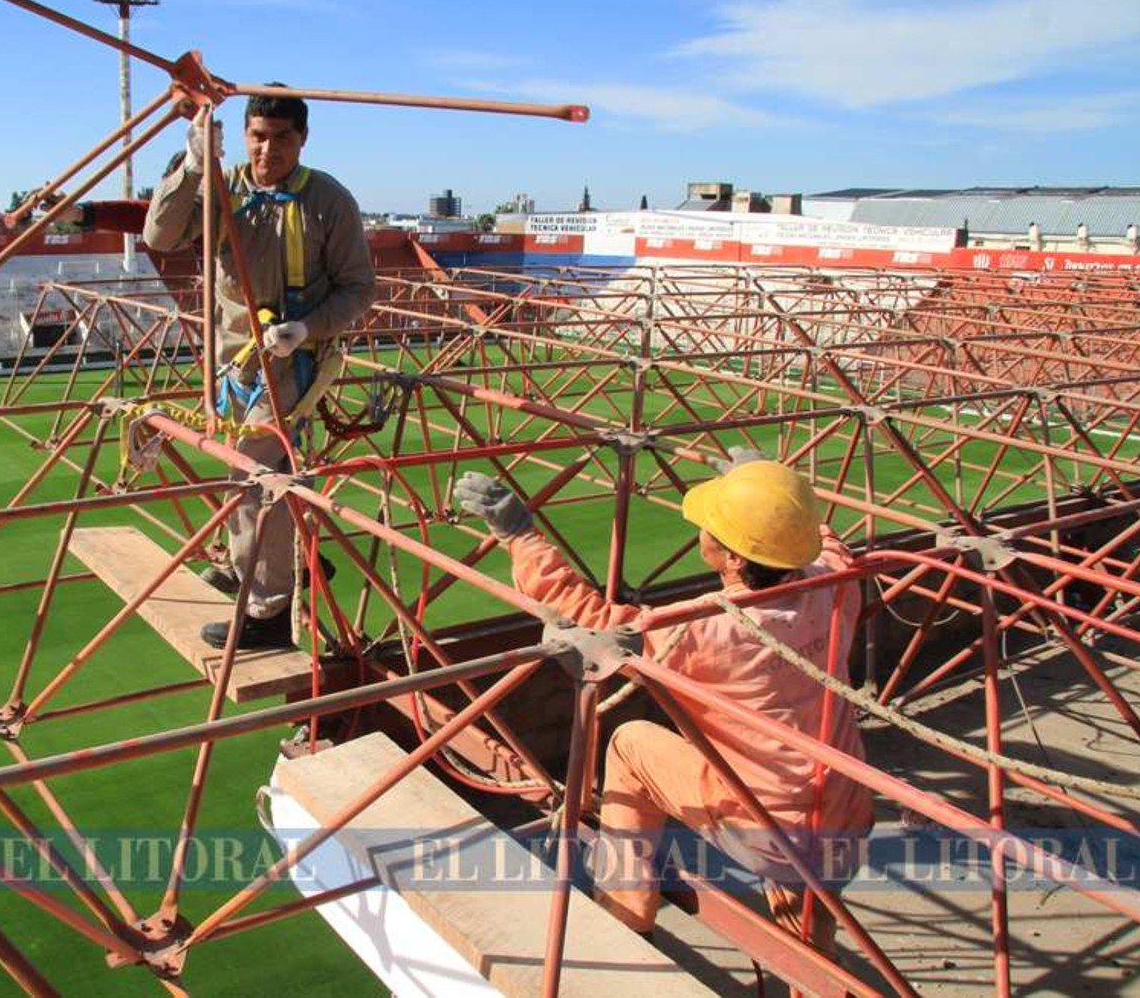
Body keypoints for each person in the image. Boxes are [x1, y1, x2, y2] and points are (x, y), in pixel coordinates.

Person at [453, 452, 874, 951]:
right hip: (847, 817)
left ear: (734, 559)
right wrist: (769, 493)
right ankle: (813, 955)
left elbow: (594, 621)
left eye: (713, 526)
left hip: (774, 833)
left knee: (630, 744)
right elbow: (828, 544)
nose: (703, 532)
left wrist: (520, 536)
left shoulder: (705, 631)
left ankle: (627, 915)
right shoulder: (835, 583)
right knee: (806, 887)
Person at [143, 87, 376, 650]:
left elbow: (358, 289)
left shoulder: (327, 201)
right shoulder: (221, 189)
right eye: (258, 137)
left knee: (253, 476)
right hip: (233, 359)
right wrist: (193, 165)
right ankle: (290, 562)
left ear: (303, 138)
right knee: (251, 470)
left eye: (281, 139)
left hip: (295, 362)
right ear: (245, 135)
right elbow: (160, 236)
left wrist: (307, 328)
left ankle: (268, 609)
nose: (268, 150)